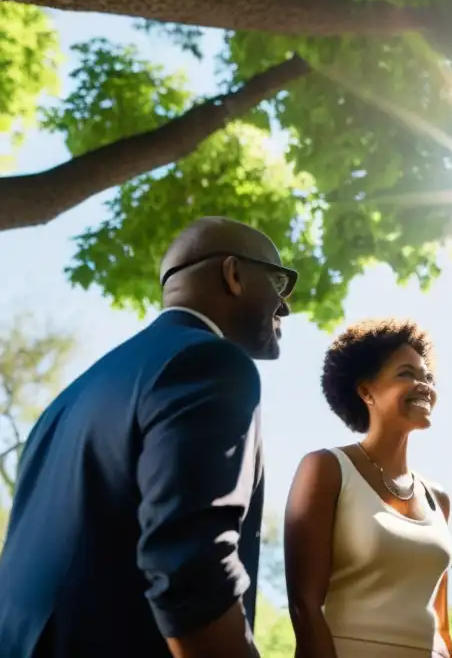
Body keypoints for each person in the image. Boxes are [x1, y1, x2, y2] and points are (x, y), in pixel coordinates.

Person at [0, 216, 296, 657]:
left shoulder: (63, 404)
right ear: (233, 275)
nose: (285, 306)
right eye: (278, 281)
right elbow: (192, 575)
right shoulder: (211, 364)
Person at [284, 318, 452, 658]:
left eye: (428, 377)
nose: (424, 385)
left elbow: (440, 622)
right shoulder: (327, 469)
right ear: (366, 391)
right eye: (406, 373)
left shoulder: (439, 499)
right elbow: (305, 606)